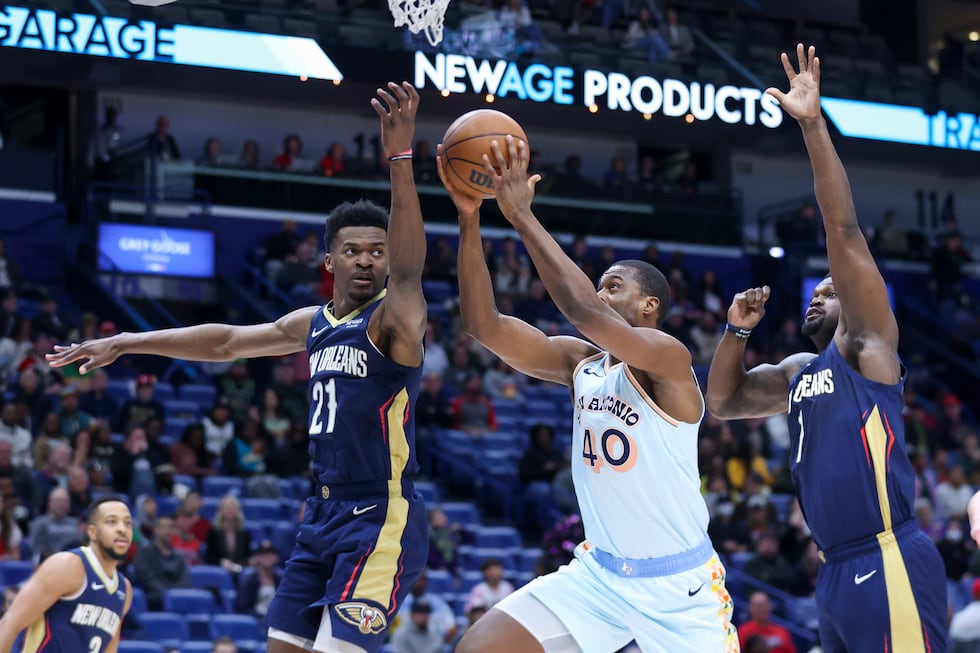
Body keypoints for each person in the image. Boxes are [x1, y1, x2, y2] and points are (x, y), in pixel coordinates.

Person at [48, 82, 429, 653]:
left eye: (377, 250)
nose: (367, 260)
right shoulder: (314, 323)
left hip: (380, 515)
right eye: (353, 250)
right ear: (329, 260)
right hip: (320, 514)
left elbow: (408, 270)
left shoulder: (393, 321)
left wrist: (400, 160)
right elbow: (225, 342)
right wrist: (128, 341)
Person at [437, 132, 736, 650]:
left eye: (615, 286)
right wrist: (470, 216)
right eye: (600, 285)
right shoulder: (581, 364)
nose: (601, 293)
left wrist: (522, 217)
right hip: (598, 577)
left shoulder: (669, 360)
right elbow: (482, 324)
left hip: (679, 589)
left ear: (650, 308)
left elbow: (583, 312)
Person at [705, 45, 947, 652]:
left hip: (887, 553)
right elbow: (725, 403)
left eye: (832, 290)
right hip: (834, 570)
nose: (818, 294)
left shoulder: (866, 347)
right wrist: (735, 331)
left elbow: (841, 230)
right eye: (815, 290)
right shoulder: (796, 372)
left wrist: (812, 125)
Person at [0, 495, 133, 652]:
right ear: (92, 532)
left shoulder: (124, 589)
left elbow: (109, 649)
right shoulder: (68, 565)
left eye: (127, 523)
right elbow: (10, 623)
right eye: (112, 521)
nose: (122, 529)